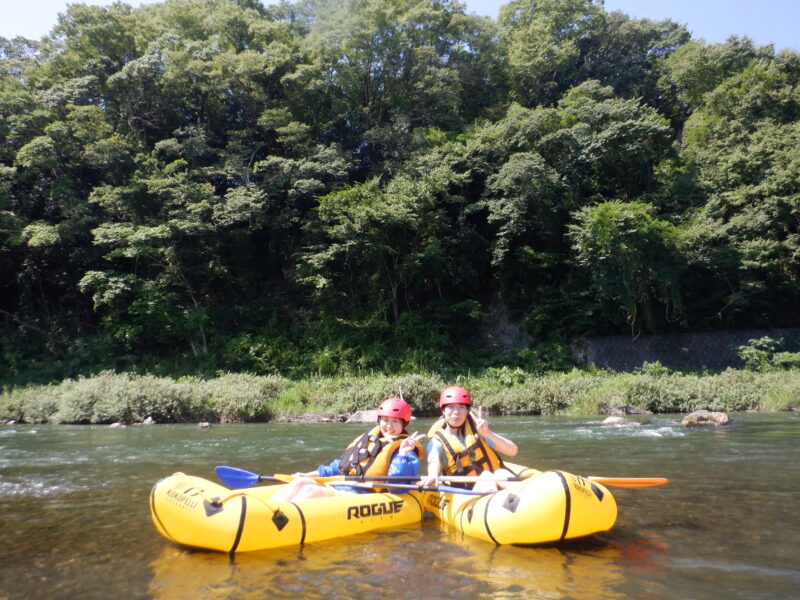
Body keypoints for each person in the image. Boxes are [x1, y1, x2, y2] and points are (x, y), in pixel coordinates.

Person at [271, 397, 425, 502]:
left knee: (309, 491)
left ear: (404, 424)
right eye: (385, 420)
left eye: (395, 422)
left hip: (364, 495)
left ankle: (281, 523)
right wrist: (306, 474)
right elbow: (338, 466)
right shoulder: (369, 440)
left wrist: (403, 455)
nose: (389, 426)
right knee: (300, 482)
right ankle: (268, 512)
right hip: (344, 486)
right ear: (379, 421)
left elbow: (398, 488)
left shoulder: (406, 449)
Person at [420, 385, 518, 493]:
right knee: (486, 476)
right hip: (465, 495)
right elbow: (433, 460)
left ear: (467, 411)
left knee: (500, 473)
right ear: (443, 411)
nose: (456, 412)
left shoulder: (477, 431)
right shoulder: (437, 442)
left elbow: (513, 451)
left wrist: (488, 434)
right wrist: (432, 474)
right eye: (451, 407)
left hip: (494, 486)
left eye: (461, 407)